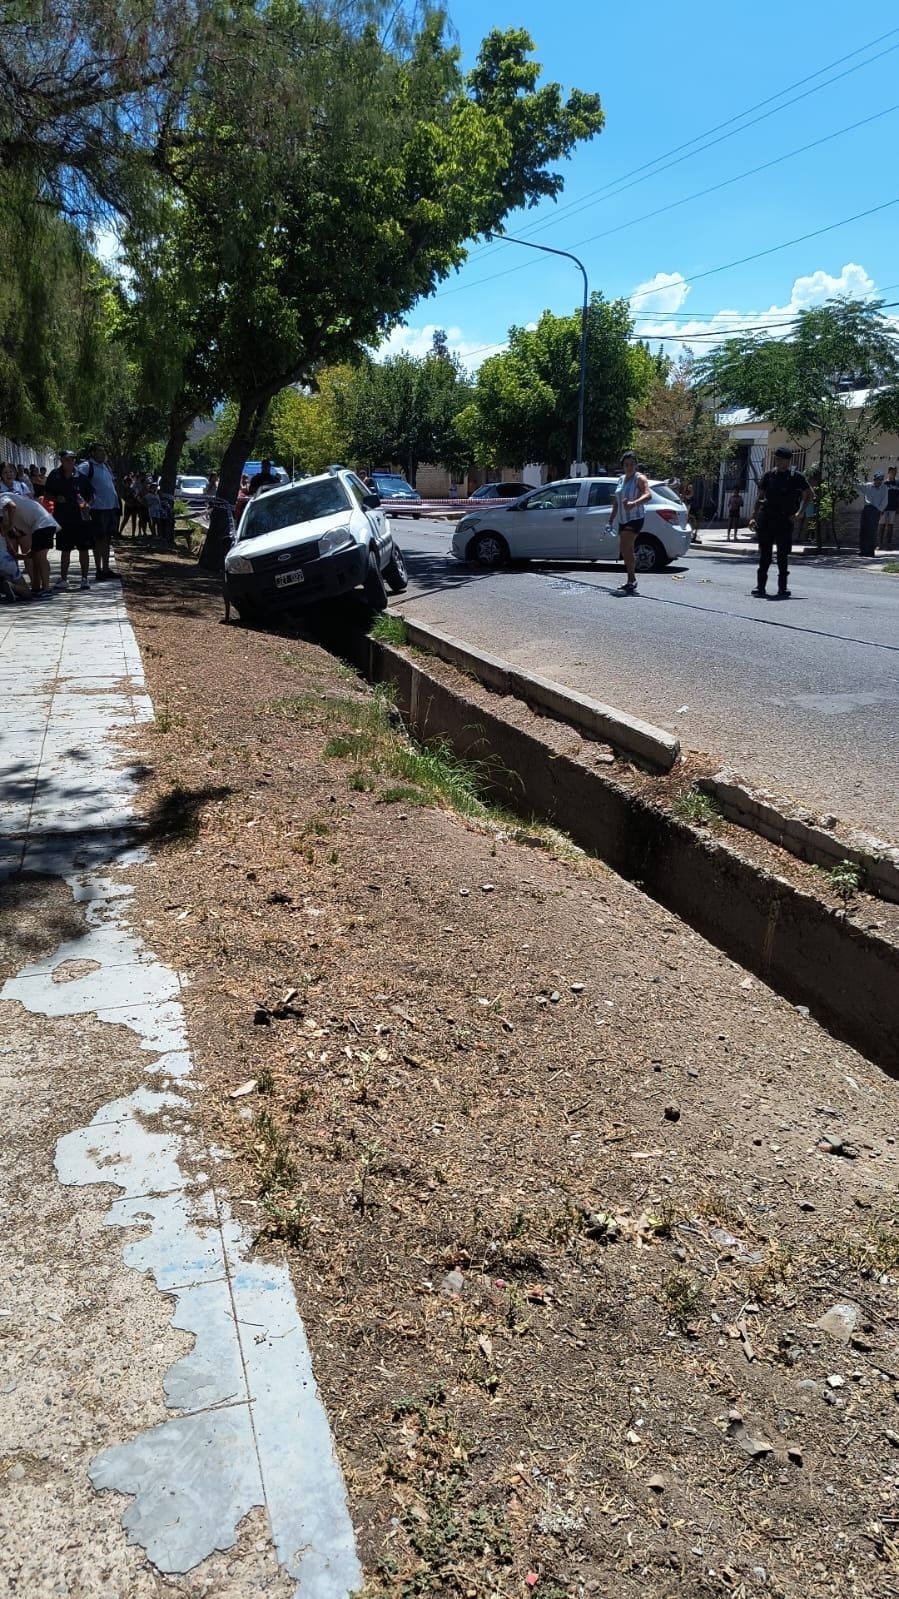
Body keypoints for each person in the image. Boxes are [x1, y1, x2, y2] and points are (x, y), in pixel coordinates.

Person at [748, 445, 811, 598]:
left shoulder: (796, 477)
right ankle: (760, 587)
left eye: (782, 459)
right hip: (767, 518)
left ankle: (782, 588)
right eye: (777, 458)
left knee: (783, 555)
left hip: (784, 519)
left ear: (789, 460)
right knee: (765, 555)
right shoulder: (769, 476)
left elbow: (808, 494)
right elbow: (760, 497)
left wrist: (799, 513)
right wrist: (753, 516)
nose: (779, 461)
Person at [46, 450, 94, 589]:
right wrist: (56, 498)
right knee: (64, 550)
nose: (70, 462)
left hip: (81, 520)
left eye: (73, 459)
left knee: (83, 550)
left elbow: (92, 495)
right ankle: (63, 579)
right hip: (63, 519)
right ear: (61, 460)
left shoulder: (81, 477)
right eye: (67, 459)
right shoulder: (54, 475)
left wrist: (87, 505)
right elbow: (47, 494)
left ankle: (84, 579)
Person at [608, 450, 652, 595]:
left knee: (625, 546)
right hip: (622, 518)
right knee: (625, 549)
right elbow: (617, 501)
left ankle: (632, 580)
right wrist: (611, 518)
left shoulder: (639, 478)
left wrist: (634, 503)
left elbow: (648, 494)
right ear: (623, 466)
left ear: (636, 465)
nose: (629, 467)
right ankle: (631, 580)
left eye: (632, 464)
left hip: (635, 517)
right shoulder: (621, 479)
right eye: (626, 464)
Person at [0, 491, 59, 597]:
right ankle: (36, 588)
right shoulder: (11, 499)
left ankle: (45, 588)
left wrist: (10, 526)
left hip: (42, 524)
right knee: (36, 558)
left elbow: (12, 507)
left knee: (40, 558)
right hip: (42, 523)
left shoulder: (3, 497)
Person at [78, 442, 119, 581]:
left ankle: (106, 569)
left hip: (110, 508)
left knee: (107, 540)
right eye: (99, 451)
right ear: (92, 453)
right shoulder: (86, 466)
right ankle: (99, 570)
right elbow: (77, 482)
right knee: (98, 540)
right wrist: (85, 501)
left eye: (103, 451)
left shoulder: (106, 466)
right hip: (97, 510)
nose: (103, 453)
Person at [0, 504, 34, 599]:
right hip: (4, 560)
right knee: (27, 594)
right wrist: (25, 556)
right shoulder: (2, 528)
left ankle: (4, 587)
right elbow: (12, 551)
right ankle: (12, 587)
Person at [859, 470, 888, 556]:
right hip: (866, 508)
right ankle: (863, 550)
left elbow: (885, 501)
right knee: (864, 529)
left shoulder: (884, 488)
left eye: (881, 479)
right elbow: (858, 485)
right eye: (878, 479)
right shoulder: (868, 486)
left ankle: (870, 551)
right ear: (874, 479)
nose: (879, 481)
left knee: (872, 531)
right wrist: (849, 482)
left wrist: (879, 510)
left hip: (875, 510)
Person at [881, 465, 898, 550]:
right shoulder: (884, 483)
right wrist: (880, 508)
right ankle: (880, 544)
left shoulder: (898, 483)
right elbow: (880, 496)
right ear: (889, 472)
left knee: (890, 526)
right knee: (882, 525)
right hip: (884, 508)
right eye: (892, 472)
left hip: (893, 508)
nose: (894, 473)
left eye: (895, 472)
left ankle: (889, 544)